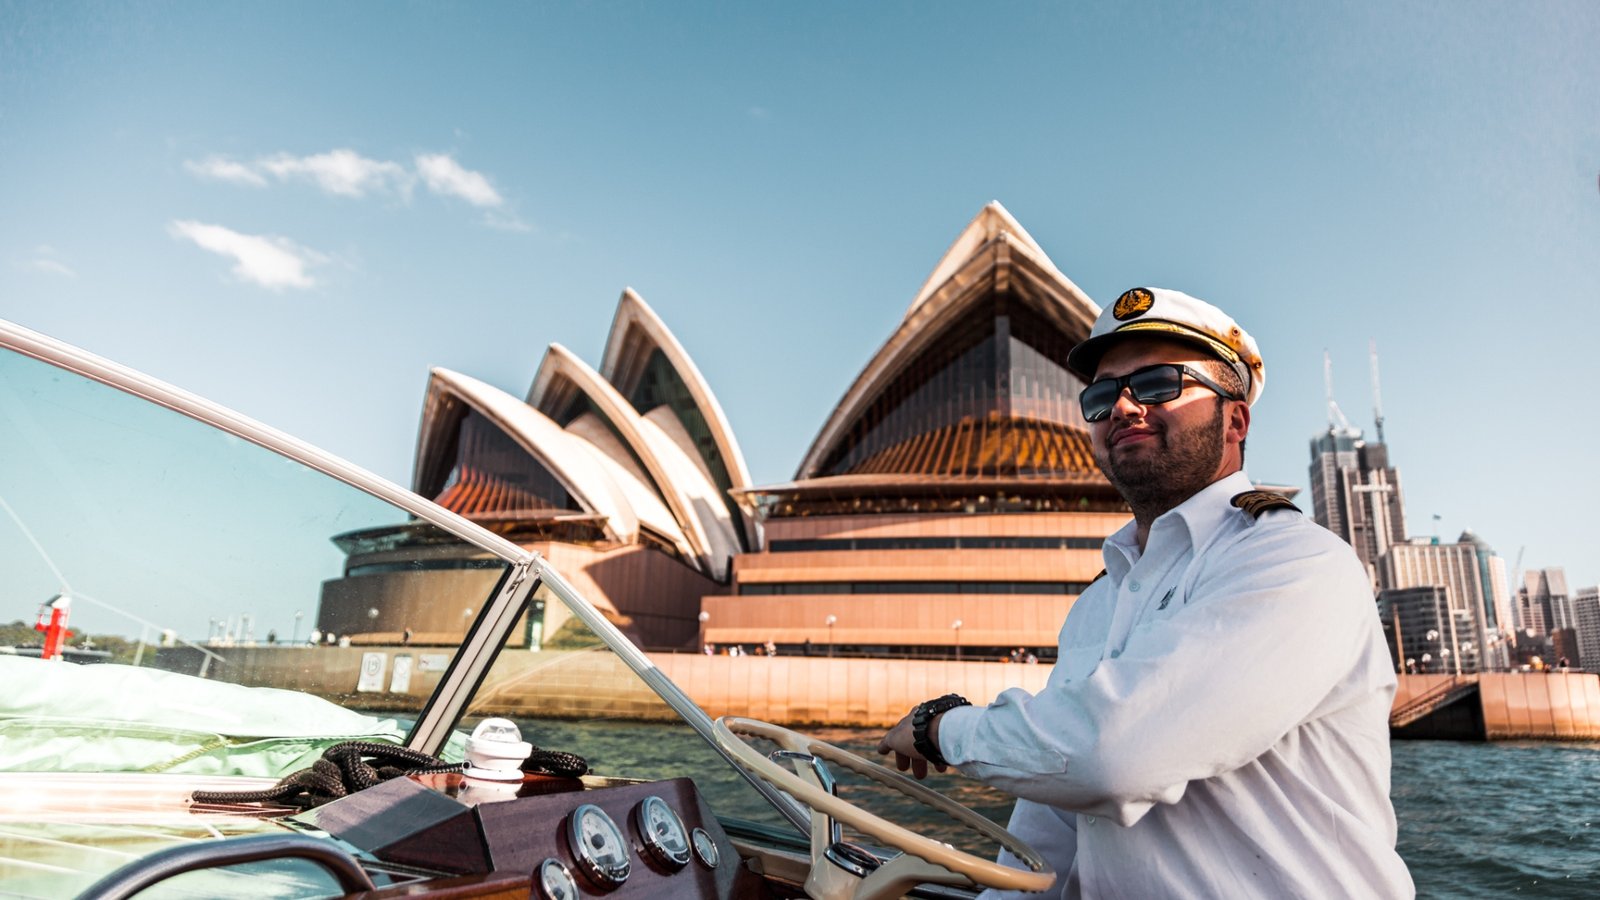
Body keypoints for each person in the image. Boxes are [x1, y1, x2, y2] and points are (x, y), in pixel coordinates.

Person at [878, 288, 1413, 898]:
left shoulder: (1294, 562)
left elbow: (1112, 756)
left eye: (1159, 384)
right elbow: (1049, 833)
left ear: (1234, 419)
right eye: (1102, 395)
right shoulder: (1098, 603)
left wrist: (939, 729)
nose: (1124, 407)